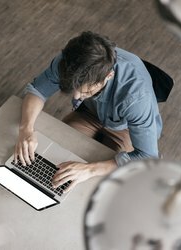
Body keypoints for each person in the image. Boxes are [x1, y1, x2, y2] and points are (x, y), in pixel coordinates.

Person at [14, 31, 162, 192]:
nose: (77, 96)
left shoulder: (137, 98)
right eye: (74, 89)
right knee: (56, 158)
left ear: (108, 76)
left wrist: (89, 170)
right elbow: (37, 90)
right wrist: (26, 128)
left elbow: (147, 157)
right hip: (90, 113)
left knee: (98, 185)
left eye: (86, 92)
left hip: (126, 127)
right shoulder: (70, 61)